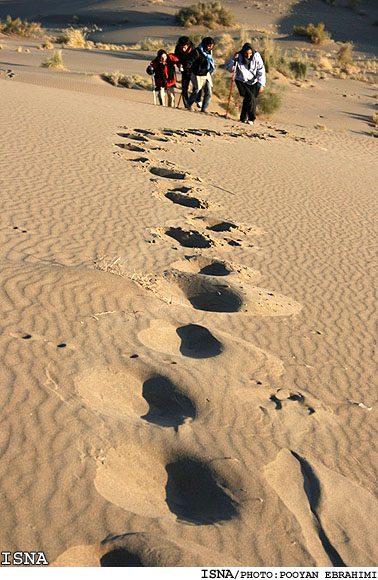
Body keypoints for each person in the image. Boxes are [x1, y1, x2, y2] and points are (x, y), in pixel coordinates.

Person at [226, 42, 266, 125]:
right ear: (243, 52)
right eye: (246, 53)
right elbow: (230, 69)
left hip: (253, 81)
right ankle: (251, 118)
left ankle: (243, 118)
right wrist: (234, 60)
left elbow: (261, 70)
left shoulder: (256, 56)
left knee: (251, 99)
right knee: (250, 97)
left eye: (250, 53)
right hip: (241, 80)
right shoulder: (238, 56)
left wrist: (261, 84)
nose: (248, 56)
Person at [186, 37, 215, 114]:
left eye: (212, 46)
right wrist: (189, 63)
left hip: (206, 74)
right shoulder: (197, 51)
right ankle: (189, 104)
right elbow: (190, 58)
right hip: (197, 74)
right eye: (209, 46)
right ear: (205, 44)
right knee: (196, 91)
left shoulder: (209, 53)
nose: (210, 47)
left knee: (208, 91)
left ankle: (204, 108)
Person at [174, 36, 194, 108]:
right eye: (181, 47)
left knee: (196, 88)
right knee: (184, 88)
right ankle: (187, 106)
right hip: (184, 71)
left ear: (188, 45)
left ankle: (194, 101)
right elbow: (176, 58)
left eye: (184, 47)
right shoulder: (177, 49)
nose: (183, 49)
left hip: (193, 71)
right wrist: (179, 64)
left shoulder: (193, 50)